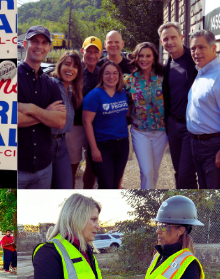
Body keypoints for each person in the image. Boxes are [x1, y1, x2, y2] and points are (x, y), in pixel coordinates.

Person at [18, 25, 67, 188]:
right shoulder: (10, 78)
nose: (39, 46)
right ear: (25, 44)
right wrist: (47, 115)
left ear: (49, 48)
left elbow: (60, 121)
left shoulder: (50, 83)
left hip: (44, 169)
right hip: (17, 168)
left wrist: (31, 109)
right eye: (35, 41)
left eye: (44, 43)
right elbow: (8, 119)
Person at [160, 22, 198, 189]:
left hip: (191, 127)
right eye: (165, 39)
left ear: (182, 37)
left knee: (186, 174)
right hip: (173, 125)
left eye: (173, 37)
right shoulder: (168, 64)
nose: (170, 42)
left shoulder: (194, 59)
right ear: (162, 42)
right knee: (178, 171)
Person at [125, 42, 167, 189]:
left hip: (161, 132)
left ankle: (149, 192)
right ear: (136, 58)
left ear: (154, 58)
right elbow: (124, 102)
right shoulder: (130, 80)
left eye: (148, 56)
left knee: (154, 172)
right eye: (141, 56)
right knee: (147, 171)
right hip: (140, 131)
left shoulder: (164, 77)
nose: (144, 59)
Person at [83, 61, 130, 189]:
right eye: (107, 73)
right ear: (101, 76)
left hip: (122, 145)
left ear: (119, 75)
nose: (111, 76)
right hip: (103, 146)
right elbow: (86, 122)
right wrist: (94, 149)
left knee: (116, 184)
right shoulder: (94, 95)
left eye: (115, 73)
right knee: (106, 185)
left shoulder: (122, 93)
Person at [186, 30, 220, 189]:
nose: (196, 52)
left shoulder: (218, 75)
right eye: (193, 48)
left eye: (201, 47)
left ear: (213, 48)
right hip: (197, 144)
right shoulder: (202, 71)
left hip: (213, 147)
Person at [67, 37, 102, 188]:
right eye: (89, 51)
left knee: (92, 165)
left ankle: (87, 192)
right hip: (75, 125)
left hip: (94, 127)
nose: (92, 55)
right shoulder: (75, 70)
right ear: (82, 51)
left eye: (96, 52)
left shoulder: (102, 73)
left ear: (101, 53)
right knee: (72, 164)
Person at [50, 51, 83, 189]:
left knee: (66, 185)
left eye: (75, 66)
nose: (70, 69)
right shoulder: (50, 84)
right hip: (47, 142)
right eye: (67, 64)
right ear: (60, 65)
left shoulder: (71, 90)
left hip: (62, 143)